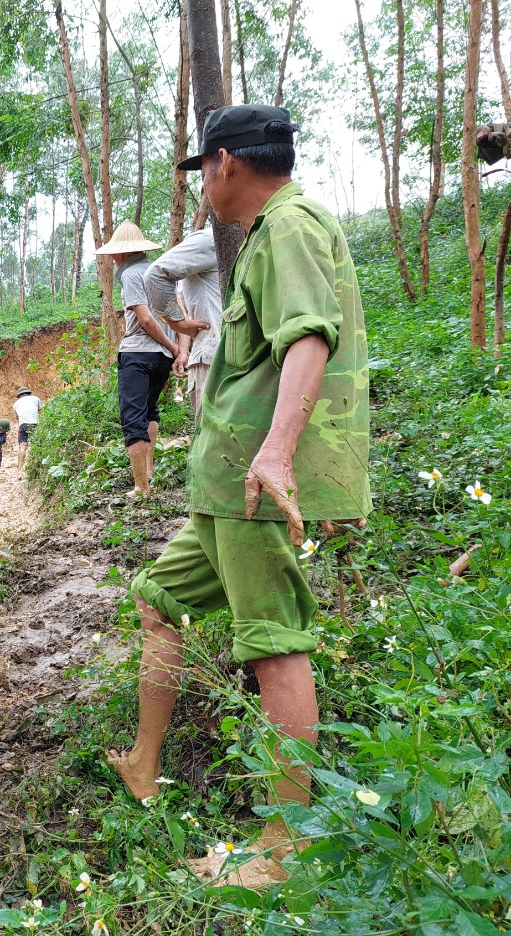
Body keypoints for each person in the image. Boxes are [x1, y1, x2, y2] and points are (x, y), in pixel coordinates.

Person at [105, 104, 371, 888]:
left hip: (255, 483)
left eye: (203, 174)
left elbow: (309, 338)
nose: (204, 190)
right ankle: (144, 764)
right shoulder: (268, 233)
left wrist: (280, 453)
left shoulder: (289, 227)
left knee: (274, 642)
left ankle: (285, 851)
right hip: (227, 485)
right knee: (160, 598)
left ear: (224, 164)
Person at [95, 220, 177, 497]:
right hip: (162, 358)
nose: (114, 259)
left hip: (138, 354)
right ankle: (149, 472)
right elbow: (179, 313)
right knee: (149, 410)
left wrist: (170, 344)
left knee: (133, 418)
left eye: (114, 254)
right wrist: (175, 348)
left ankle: (141, 487)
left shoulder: (130, 275)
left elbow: (145, 319)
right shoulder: (159, 272)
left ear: (121, 253)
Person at [143, 227, 219, 419]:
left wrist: (183, 348)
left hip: (233, 359)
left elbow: (185, 305)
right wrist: (177, 324)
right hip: (215, 360)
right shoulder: (210, 240)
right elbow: (156, 276)